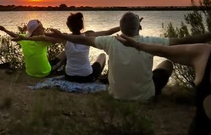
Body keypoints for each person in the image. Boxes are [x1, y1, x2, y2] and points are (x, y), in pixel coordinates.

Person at [46, 12, 211, 101]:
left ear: (121, 28)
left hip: (115, 94)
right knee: (167, 64)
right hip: (145, 96)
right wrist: (208, 35)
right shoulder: (151, 41)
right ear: (139, 26)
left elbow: (82, 39)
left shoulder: (109, 42)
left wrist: (64, 36)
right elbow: (185, 40)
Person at [116, 34, 211, 135]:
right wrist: (136, 45)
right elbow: (164, 50)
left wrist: (136, 45)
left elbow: (164, 50)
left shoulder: (204, 52)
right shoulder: (204, 53)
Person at [8, 13, 120, 83]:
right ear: (82, 26)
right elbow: (108, 32)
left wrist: (26, 37)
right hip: (86, 77)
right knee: (102, 56)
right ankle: (104, 78)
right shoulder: (89, 35)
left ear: (68, 26)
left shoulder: (64, 37)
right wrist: (124, 27)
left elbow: (42, 37)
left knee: (66, 51)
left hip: (69, 76)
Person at [0, 19, 67, 78]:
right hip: (44, 72)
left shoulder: (24, 38)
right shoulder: (42, 41)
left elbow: (14, 35)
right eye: (41, 27)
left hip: (30, 73)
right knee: (65, 52)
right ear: (36, 31)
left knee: (49, 60)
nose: (44, 28)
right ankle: (66, 72)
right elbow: (62, 38)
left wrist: (4, 30)